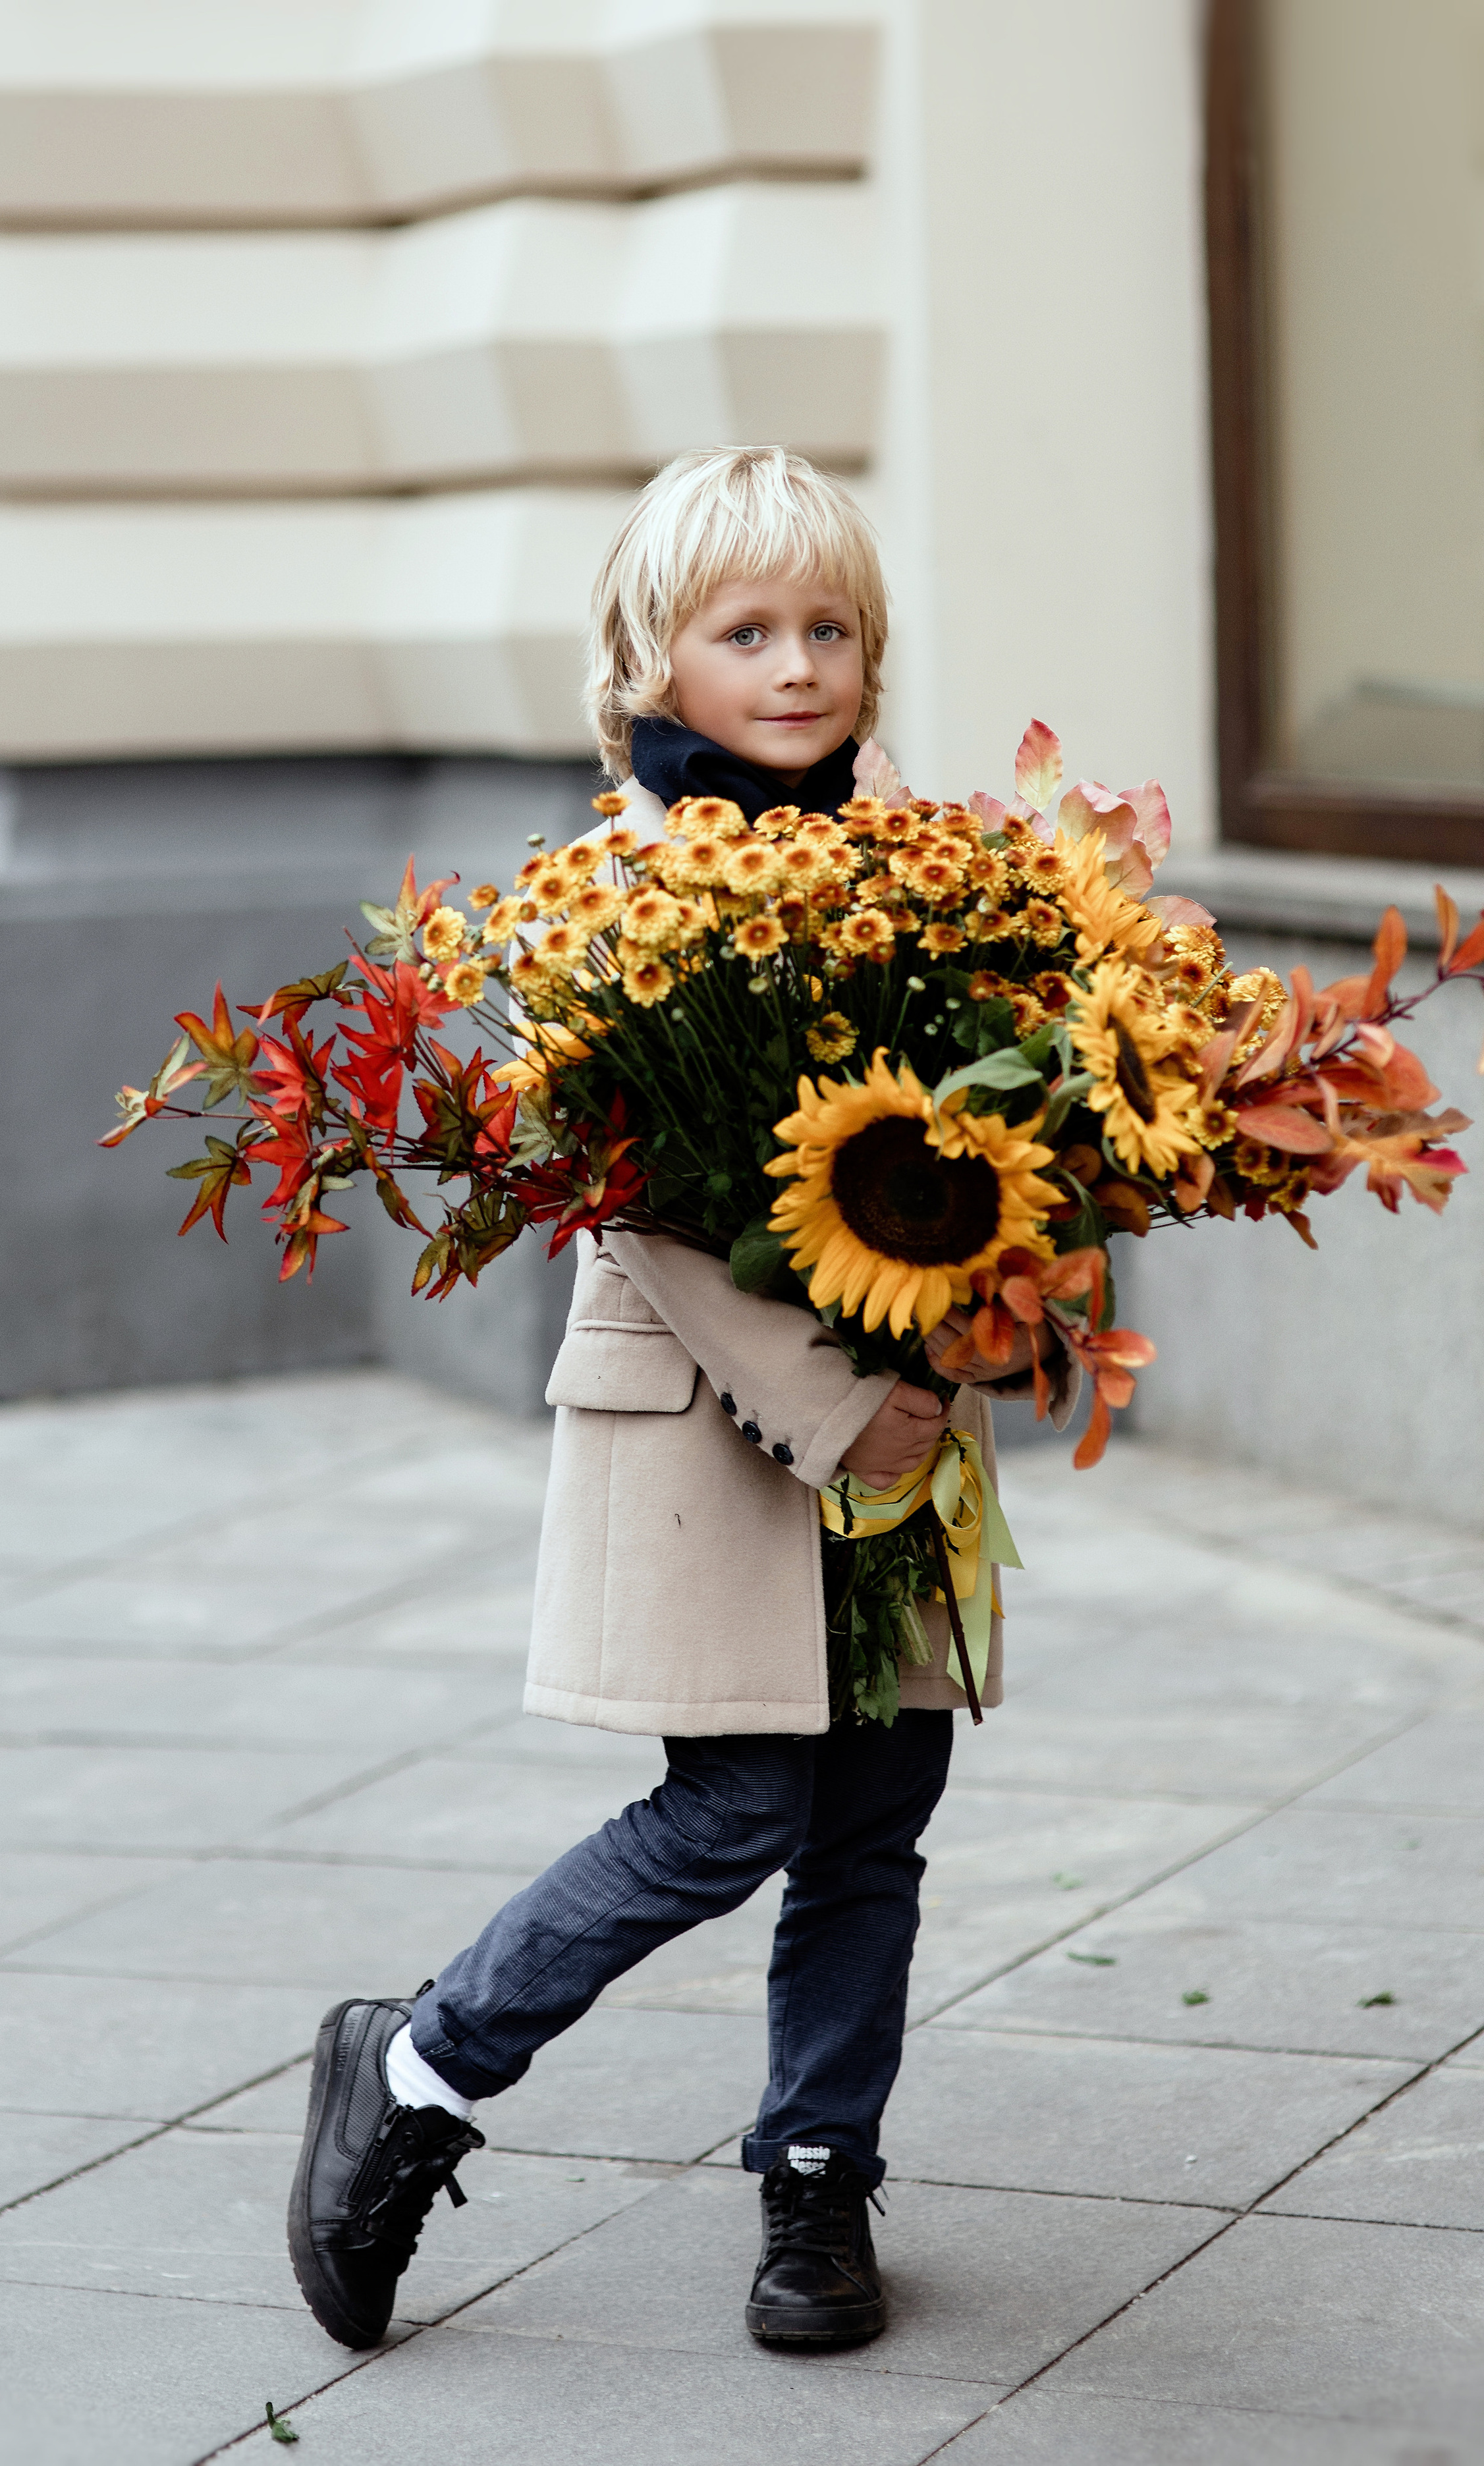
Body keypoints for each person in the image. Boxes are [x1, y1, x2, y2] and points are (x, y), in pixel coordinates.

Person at [288, 447, 1074, 2355]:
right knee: (730, 1809)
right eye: (748, 632)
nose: (797, 666)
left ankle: (819, 2187)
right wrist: (836, 1401)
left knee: (878, 1815)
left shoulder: (929, 881)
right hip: (734, 1430)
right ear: (652, 656)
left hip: (901, 1418)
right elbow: (635, 1206)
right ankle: (418, 2071)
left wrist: (997, 1306)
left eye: (834, 630)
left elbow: (986, 1141)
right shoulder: (609, 897)